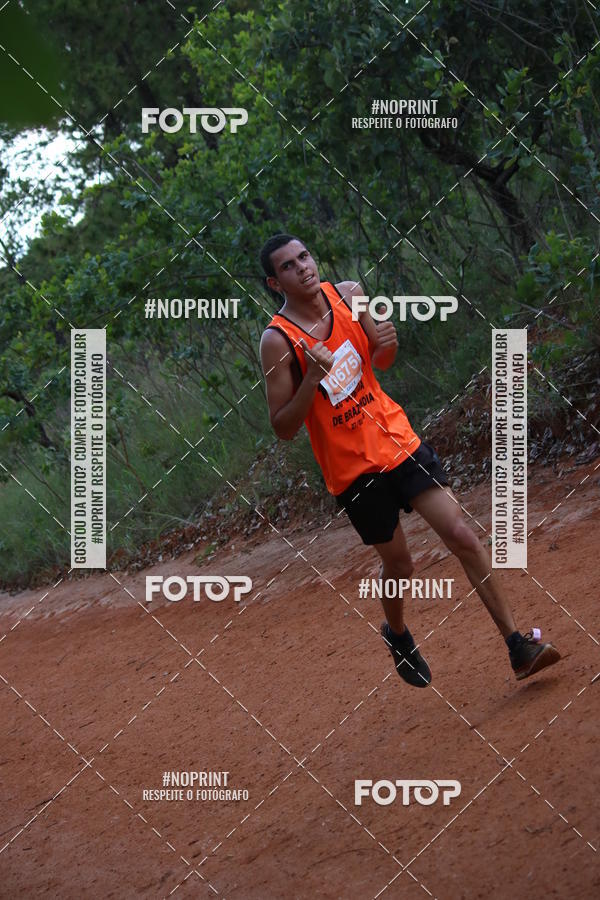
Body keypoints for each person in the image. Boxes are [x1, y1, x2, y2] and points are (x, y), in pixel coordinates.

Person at [258, 233, 561, 687]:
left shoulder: (350, 295)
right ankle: (397, 633)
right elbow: (282, 426)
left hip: (394, 438)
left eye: (304, 256)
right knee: (401, 565)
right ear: (274, 282)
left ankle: (518, 645)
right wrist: (311, 380)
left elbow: (381, 361)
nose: (302, 267)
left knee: (460, 532)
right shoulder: (277, 341)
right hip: (351, 470)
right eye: (288, 265)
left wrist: (385, 342)